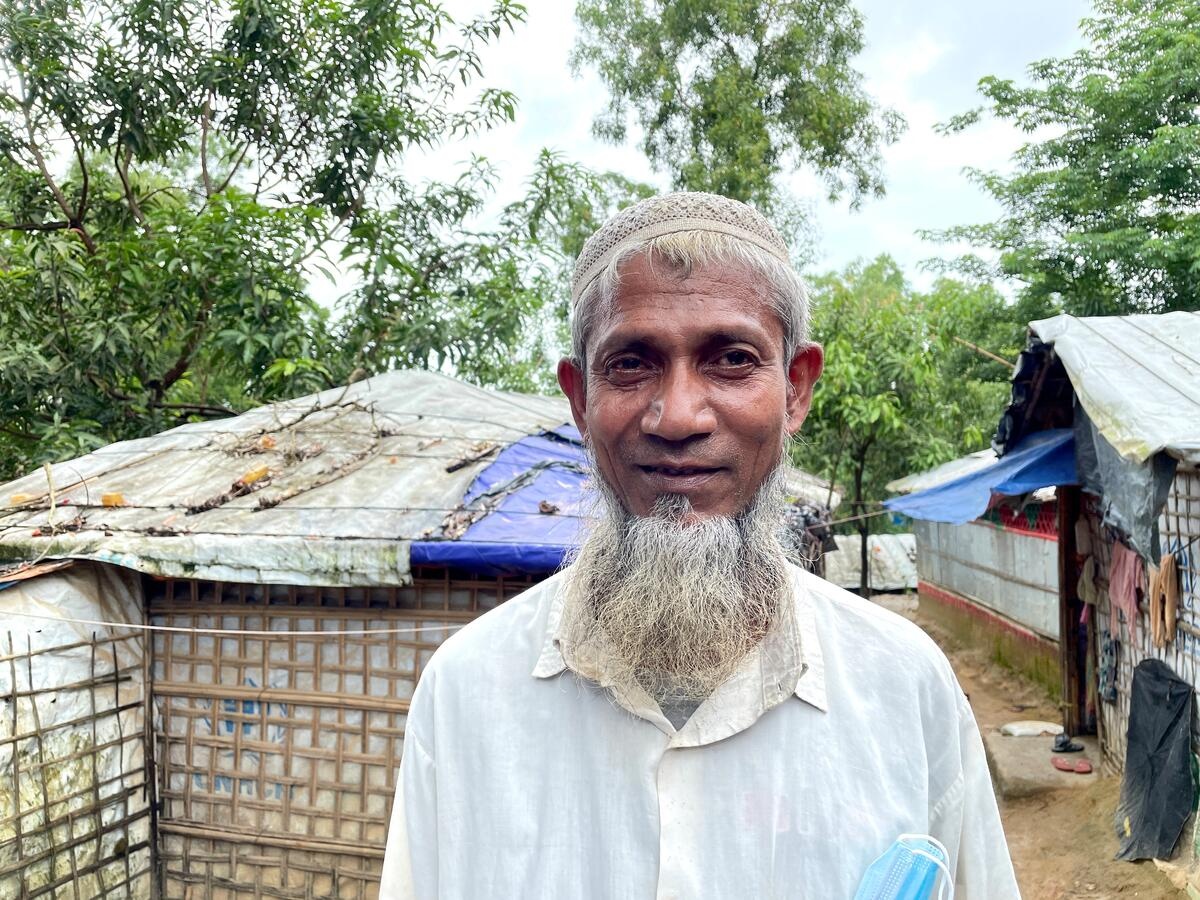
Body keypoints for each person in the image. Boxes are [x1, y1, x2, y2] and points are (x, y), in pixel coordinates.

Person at [380, 192, 1020, 899]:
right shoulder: (467, 693)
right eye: (630, 364)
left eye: (733, 359)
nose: (678, 415)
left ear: (797, 389)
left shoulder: (904, 687)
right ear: (580, 401)